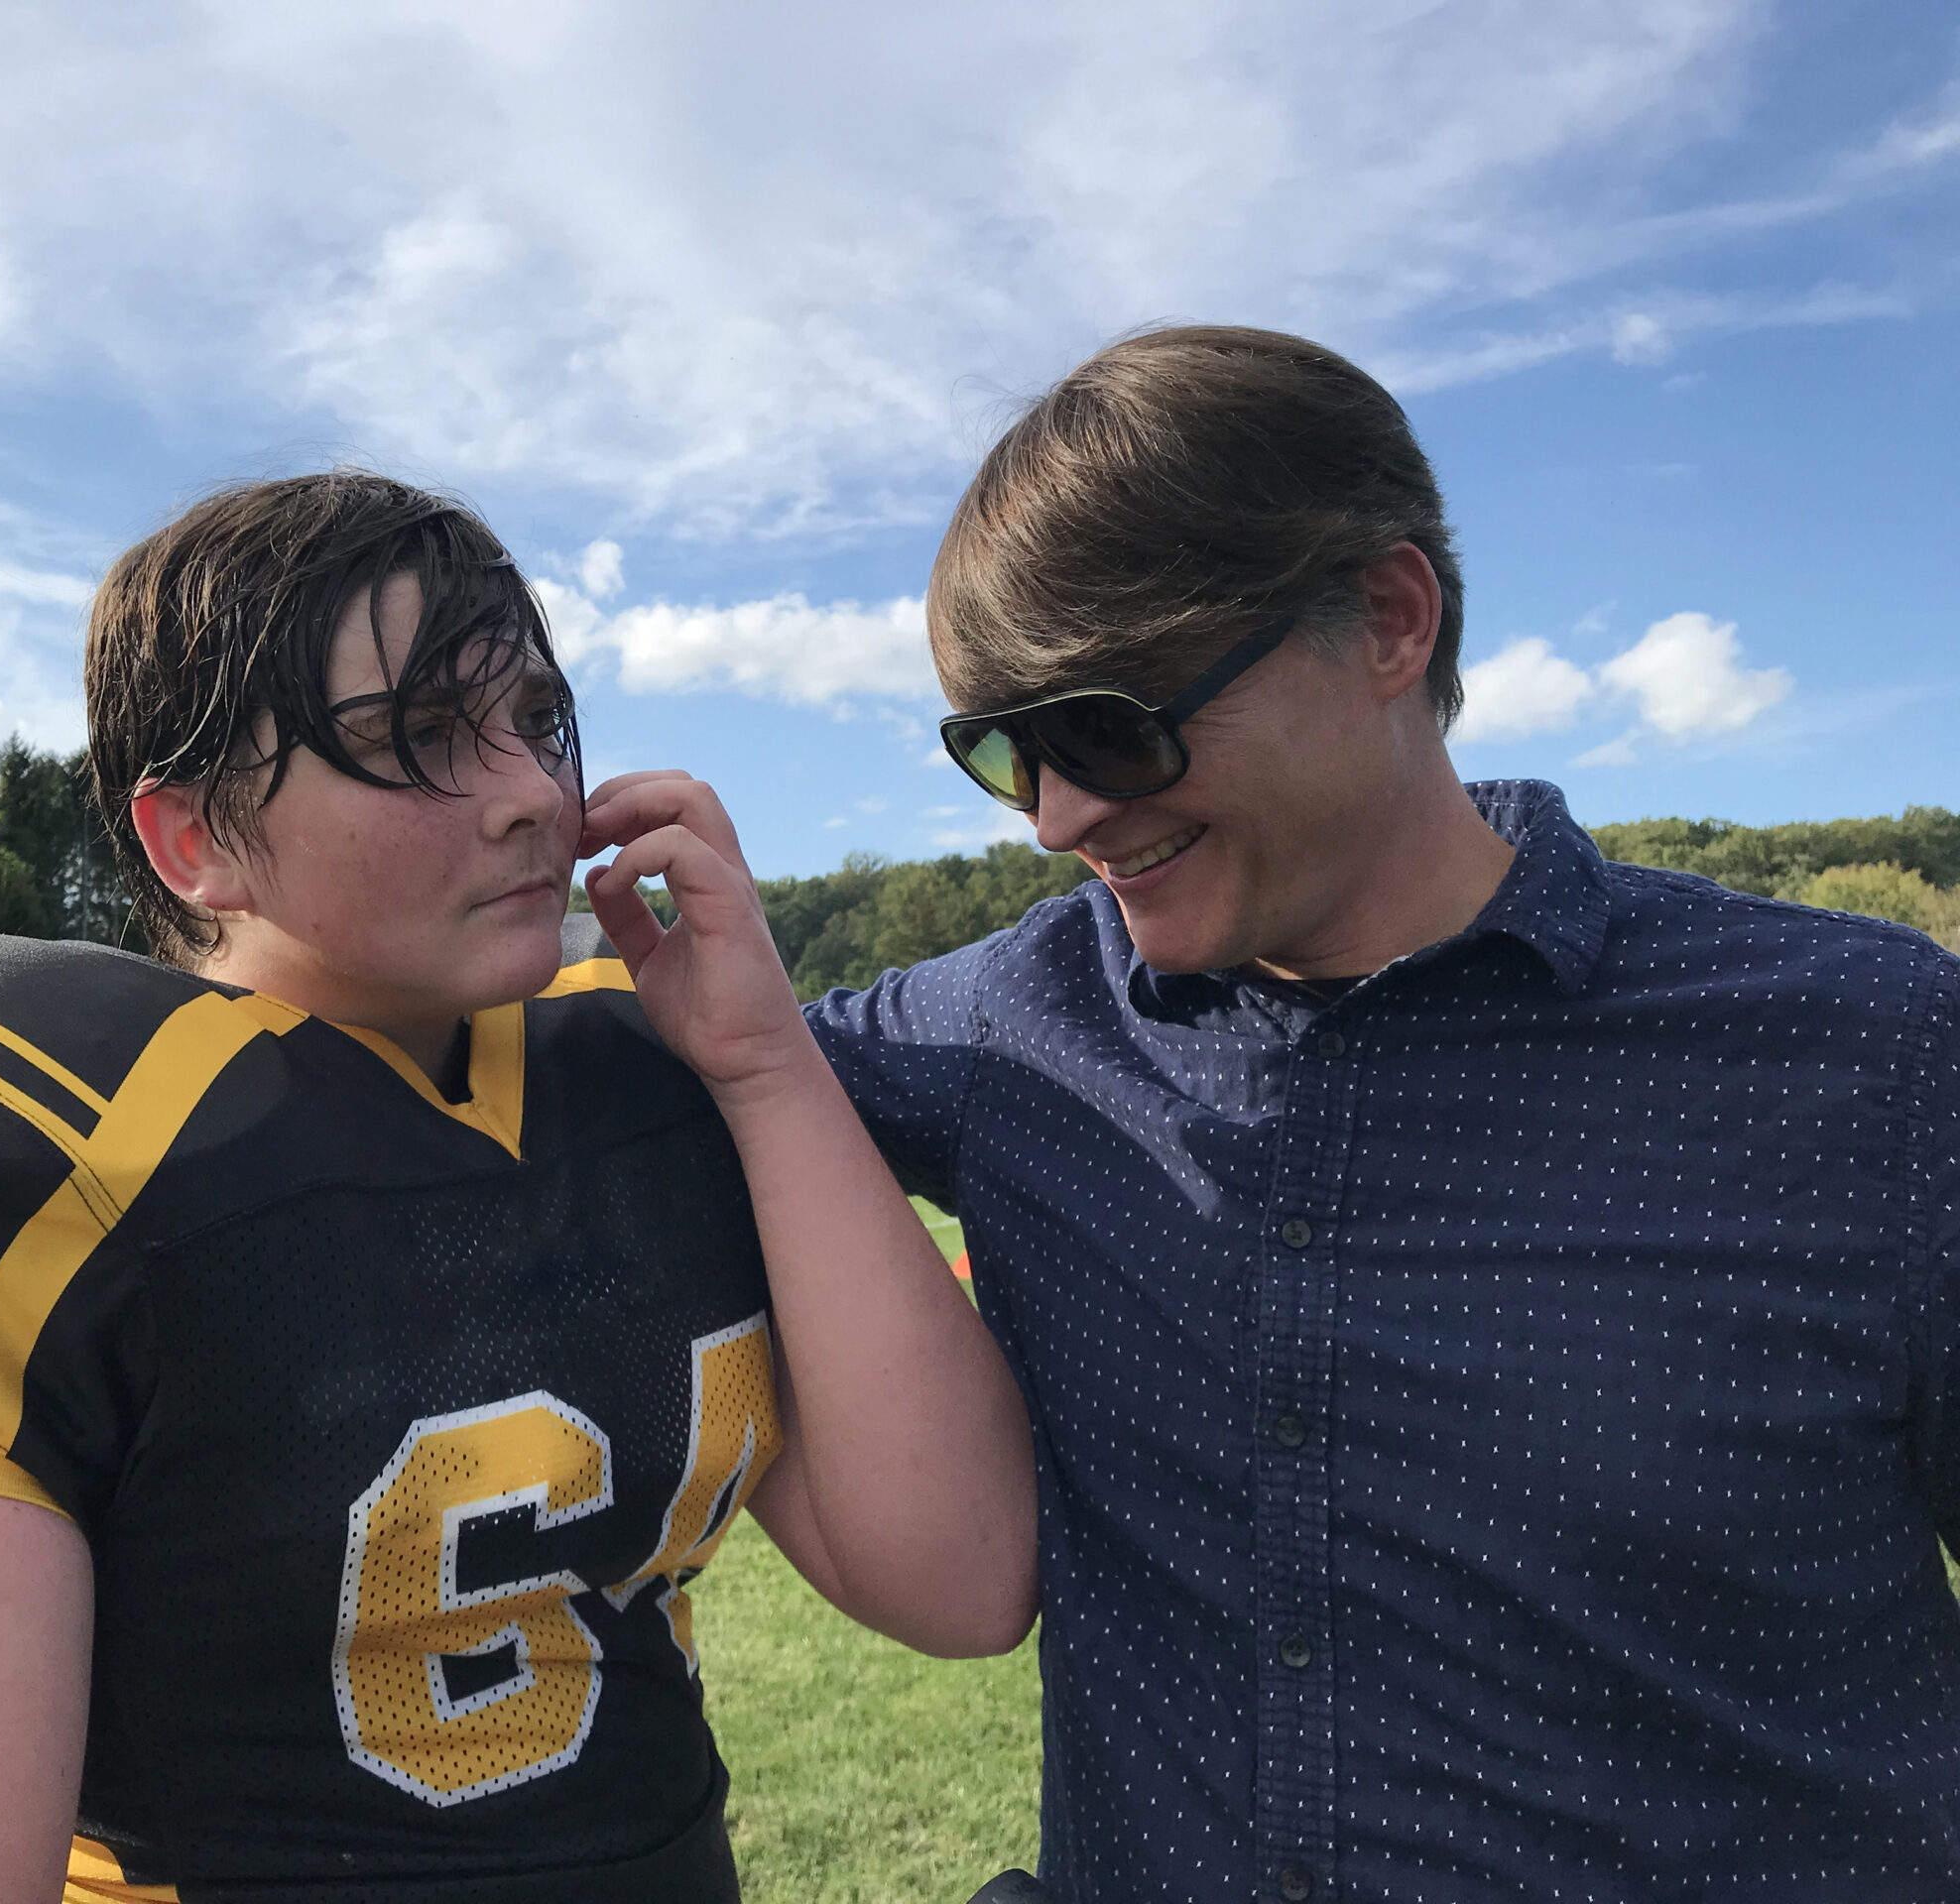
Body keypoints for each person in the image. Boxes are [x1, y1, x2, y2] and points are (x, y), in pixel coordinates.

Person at [0, 473, 1033, 1904]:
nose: (534, 796)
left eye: (537, 723)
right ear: (197, 840)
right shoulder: (55, 1141)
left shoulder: (645, 1070)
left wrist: (770, 1070)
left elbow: (961, 1578)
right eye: (422, 738)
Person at [803, 324, 1960, 1903]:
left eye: (1109, 724)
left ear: (1388, 620)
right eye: (1003, 754)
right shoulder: (1010, 1026)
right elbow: (650, 1089)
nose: (1061, 817)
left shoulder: (1877, 1059)